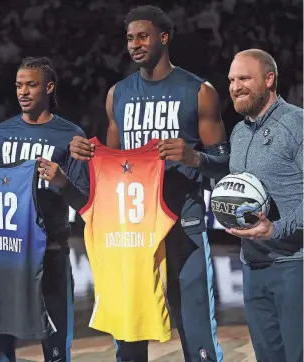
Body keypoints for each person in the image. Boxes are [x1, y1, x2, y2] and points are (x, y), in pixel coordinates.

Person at [69, 5, 229, 362]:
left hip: (183, 224)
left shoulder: (199, 91)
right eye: (129, 38)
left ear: (164, 37)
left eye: (143, 36)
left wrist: (194, 158)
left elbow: (225, 165)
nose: (135, 44)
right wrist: (83, 155)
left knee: (196, 330)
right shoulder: (118, 95)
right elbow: (110, 167)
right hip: (133, 230)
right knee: (129, 334)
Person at [0, 56, 88, 362]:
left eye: (31, 84)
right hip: (6, 252)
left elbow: (83, 202)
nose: (23, 92)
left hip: (51, 252)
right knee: (0, 347)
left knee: (56, 348)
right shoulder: (1, 133)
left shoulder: (71, 135)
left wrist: (62, 181)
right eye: (18, 85)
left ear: (49, 87)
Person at [226, 49, 303, 362]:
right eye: (231, 80)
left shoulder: (297, 124)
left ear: (269, 79)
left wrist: (277, 229)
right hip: (252, 266)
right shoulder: (239, 132)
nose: (234, 87)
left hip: (294, 265)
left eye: (244, 78)